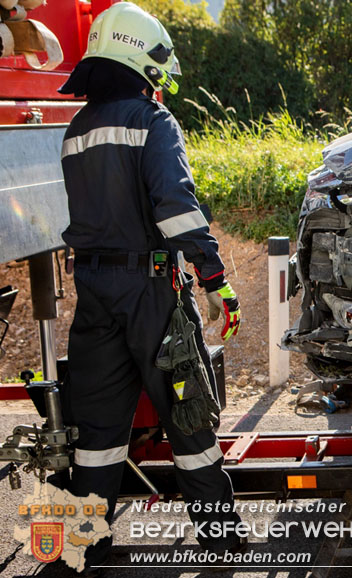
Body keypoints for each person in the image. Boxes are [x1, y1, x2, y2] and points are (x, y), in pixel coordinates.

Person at [57, 2, 243, 570]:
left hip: (93, 292)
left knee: (96, 432)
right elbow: (177, 210)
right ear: (142, 60)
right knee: (188, 415)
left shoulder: (76, 128)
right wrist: (214, 280)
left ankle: (77, 548)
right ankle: (221, 541)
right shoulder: (153, 122)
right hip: (151, 292)